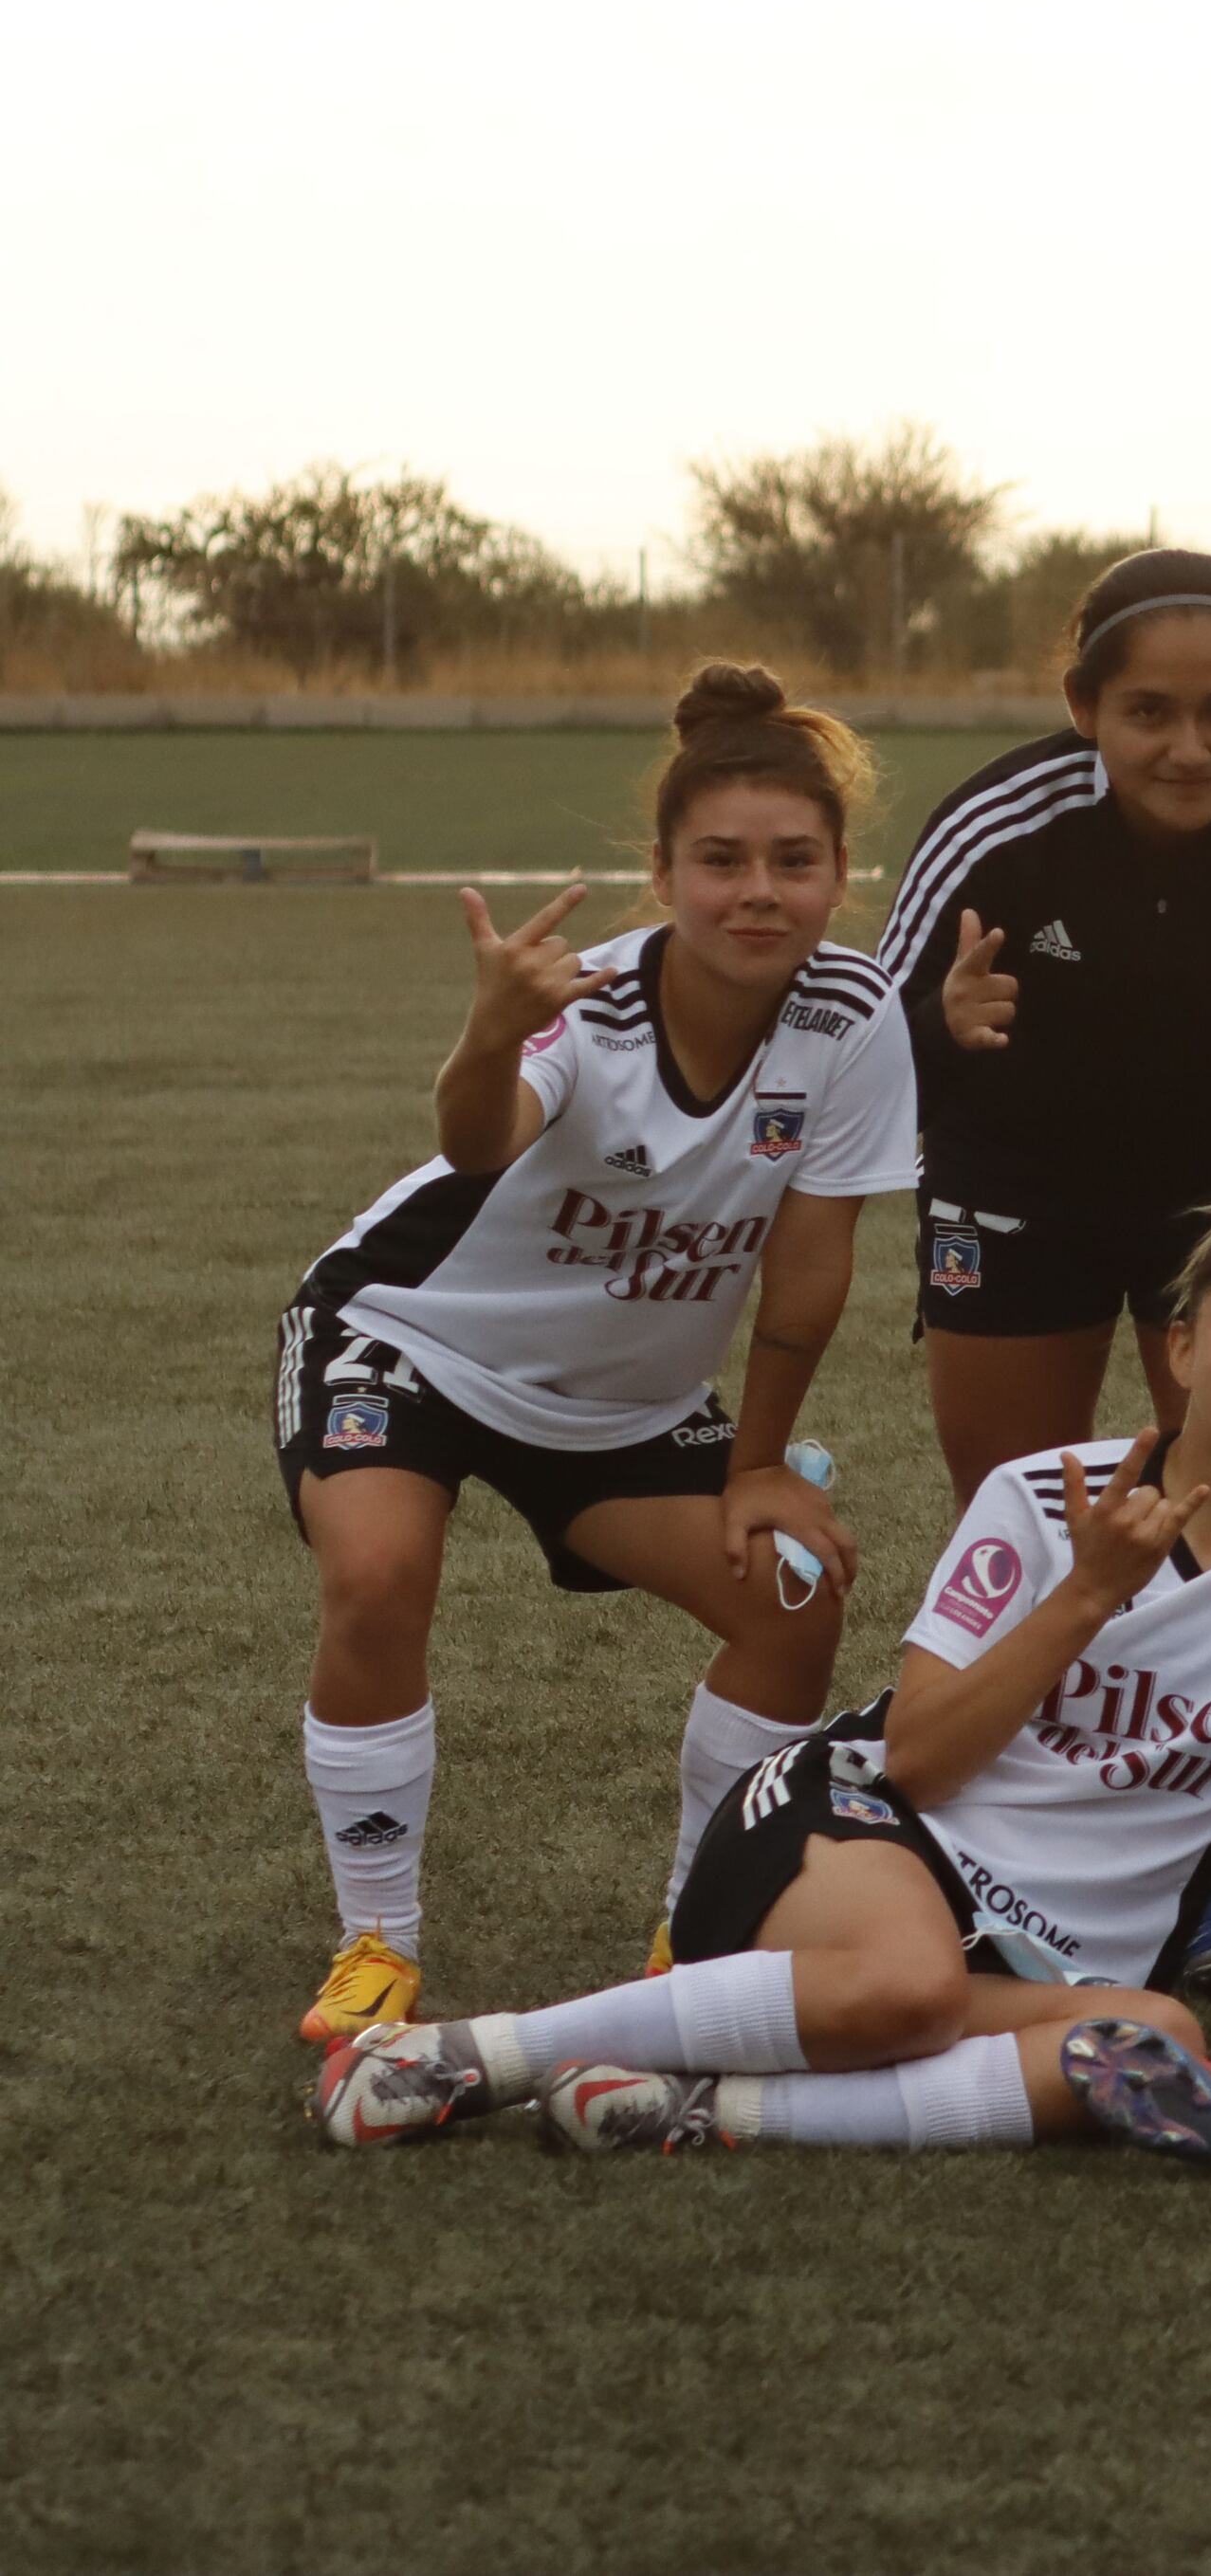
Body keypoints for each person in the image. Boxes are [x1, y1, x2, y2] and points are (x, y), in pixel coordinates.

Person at [314, 1191, 1211, 2176]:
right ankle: (465, 2056)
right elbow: (922, 1760)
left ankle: (699, 2111)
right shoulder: (1044, 1499)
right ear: (1180, 1349)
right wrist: (1087, 1594)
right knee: (912, 1987)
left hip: (1049, 1950)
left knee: (1158, 2040)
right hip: (856, 1827)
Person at [278, 666, 917, 2049]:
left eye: (793, 862)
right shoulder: (595, 1000)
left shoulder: (854, 1017)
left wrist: (756, 1470)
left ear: (840, 876)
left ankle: (693, 1934)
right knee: (380, 1571)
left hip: (622, 1402)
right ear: (663, 875)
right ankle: (376, 1943)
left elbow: (811, 1265)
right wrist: (489, 1029)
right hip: (414, 1339)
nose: (759, 891)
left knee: (792, 1600)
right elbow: (481, 1138)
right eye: (722, 861)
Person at [877, 551, 1211, 1505]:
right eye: (1148, 712)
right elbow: (858, 1060)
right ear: (1084, 708)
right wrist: (941, 1027)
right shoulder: (991, 831)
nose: (1189, 748)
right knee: (1015, 1502)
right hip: (1018, 1189)